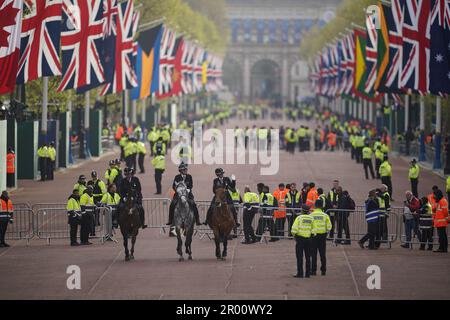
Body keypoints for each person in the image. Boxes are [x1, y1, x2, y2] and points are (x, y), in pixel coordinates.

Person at [291, 204, 314, 278]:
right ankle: (307, 273)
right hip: (309, 239)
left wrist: (295, 237)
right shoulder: (311, 218)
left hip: (300, 239)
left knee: (299, 257)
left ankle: (300, 273)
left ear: (302, 210)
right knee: (308, 257)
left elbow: (294, 229)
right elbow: (314, 230)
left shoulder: (299, 218)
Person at [310, 199, 332, 276]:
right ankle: (323, 270)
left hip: (314, 236)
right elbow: (329, 227)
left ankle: (313, 270)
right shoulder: (325, 215)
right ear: (322, 206)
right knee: (322, 254)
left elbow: (309, 226)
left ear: (315, 205)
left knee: (313, 254)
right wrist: (326, 232)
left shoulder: (311, 215)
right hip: (322, 236)